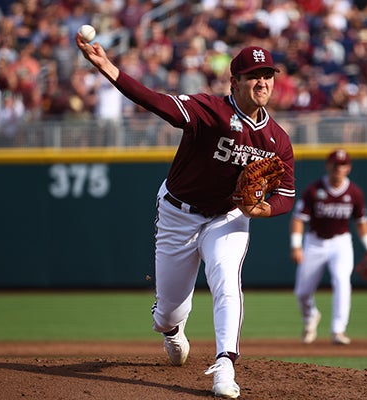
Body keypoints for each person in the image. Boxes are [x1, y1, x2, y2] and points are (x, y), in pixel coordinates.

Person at [76, 35, 295, 399]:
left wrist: (264, 209)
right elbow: (157, 102)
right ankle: (172, 330)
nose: (262, 82)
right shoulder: (209, 110)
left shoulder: (277, 139)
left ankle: (225, 364)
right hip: (179, 214)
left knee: (226, 278)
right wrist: (109, 69)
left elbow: (286, 194)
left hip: (227, 217)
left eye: (268, 74)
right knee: (167, 312)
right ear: (234, 81)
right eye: (253, 75)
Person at [289, 149, 367, 345]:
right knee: (302, 292)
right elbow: (298, 219)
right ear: (328, 166)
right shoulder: (314, 190)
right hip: (315, 242)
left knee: (342, 281)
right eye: (335, 164)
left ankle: (338, 330)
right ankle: (310, 315)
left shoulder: (354, 192)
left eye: (343, 164)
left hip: (341, 243)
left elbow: (361, 222)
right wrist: (296, 246)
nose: (338, 168)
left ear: (349, 168)